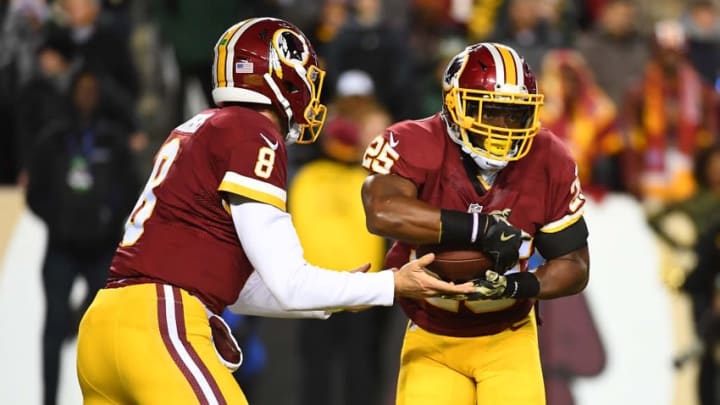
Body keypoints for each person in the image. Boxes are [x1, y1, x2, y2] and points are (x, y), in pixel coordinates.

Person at [75, 17, 475, 405]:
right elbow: (289, 282)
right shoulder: (252, 131)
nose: (312, 91)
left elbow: (239, 288)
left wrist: (345, 294)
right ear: (279, 76)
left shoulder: (199, 126)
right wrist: (391, 284)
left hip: (104, 330)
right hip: (161, 324)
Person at [360, 42, 591, 405]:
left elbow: (575, 265)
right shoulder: (415, 142)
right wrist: (480, 229)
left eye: (514, 114)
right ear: (454, 105)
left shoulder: (549, 157)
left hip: (508, 335)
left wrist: (516, 286)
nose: (502, 127)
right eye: (490, 111)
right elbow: (382, 211)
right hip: (432, 335)